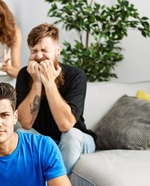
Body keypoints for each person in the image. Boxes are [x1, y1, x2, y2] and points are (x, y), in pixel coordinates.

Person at [15, 23, 96, 177]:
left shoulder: (76, 76)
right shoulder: (24, 75)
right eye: (34, 51)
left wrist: (49, 82)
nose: (39, 56)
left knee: (70, 135)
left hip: (77, 139)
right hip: (45, 140)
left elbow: (66, 125)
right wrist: (37, 82)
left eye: (45, 51)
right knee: (21, 133)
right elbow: (26, 123)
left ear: (57, 51)